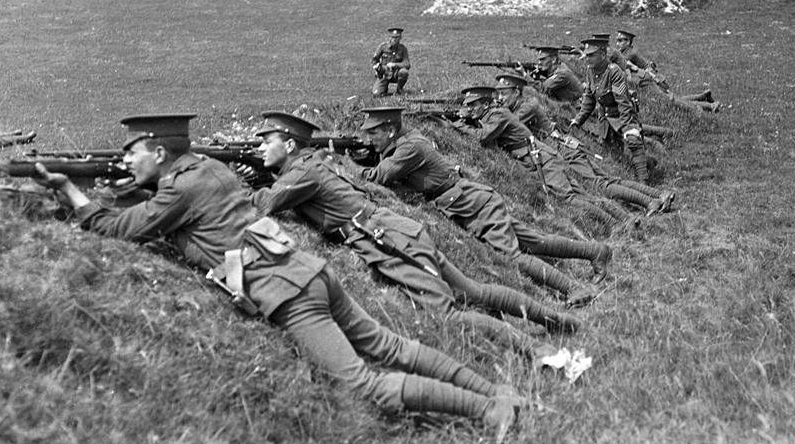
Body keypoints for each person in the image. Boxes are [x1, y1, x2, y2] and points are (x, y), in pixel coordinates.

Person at [31, 113, 520, 444]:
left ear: (159, 152)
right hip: (308, 273)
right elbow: (175, 208)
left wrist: (73, 193)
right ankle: (495, 393)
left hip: (286, 294)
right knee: (391, 348)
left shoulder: (180, 187)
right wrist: (132, 190)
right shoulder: (203, 170)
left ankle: (488, 412)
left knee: (363, 385)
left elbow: (122, 229)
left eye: (133, 151)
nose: (126, 159)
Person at [248, 111, 586, 368]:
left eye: (267, 142)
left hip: (387, 239)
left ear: (290, 144)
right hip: (396, 229)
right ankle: (564, 323)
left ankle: (545, 354)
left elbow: (267, 203)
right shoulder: (312, 162)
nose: (261, 147)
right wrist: (269, 174)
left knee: (450, 313)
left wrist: (252, 185)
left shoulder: (303, 171)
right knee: (475, 292)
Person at [355, 106, 610, 299]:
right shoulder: (407, 140)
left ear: (390, 130)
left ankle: (575, 289)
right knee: (533, 241)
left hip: (473, 203)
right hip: (471, 201)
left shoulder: (409, 147)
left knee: (510, 255)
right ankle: (595, 252)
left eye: (373, 133)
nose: (369, 140)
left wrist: (350, 165)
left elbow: (380, 177)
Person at [449, 87, 638, 232]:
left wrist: (458, 124)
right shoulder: (491, 114)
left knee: (570, 197)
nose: (469, 109)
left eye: (473, 105)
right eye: (467, 105)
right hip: (540, 157)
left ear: (486, 103)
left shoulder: (499, 114)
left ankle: (619, 222)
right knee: (580, 195)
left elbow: (482, 136)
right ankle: (624, 219)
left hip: (544, 160)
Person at [494, 73, 674, 217]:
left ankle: (651, 201)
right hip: (564, 146)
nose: (500, 98)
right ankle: (657, 196)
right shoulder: (523, 105)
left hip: (561, 148)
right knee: (607, 180)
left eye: (504, 93)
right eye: (498, 94)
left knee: (600, 184)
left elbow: (509, 124)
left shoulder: (527, 107)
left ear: (517, 93)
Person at [570, 35, 654, 185]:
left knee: (633, 141)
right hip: (606, 118)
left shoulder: (614, 72)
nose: (587, 59)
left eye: (591, 55)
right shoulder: (591, 70)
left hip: (622, 113)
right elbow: (589, 98)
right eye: (586, 55)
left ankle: (644, 181)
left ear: (603, 55)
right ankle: (647, 163)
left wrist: (628, 128)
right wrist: (578, 120)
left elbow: (623, 102)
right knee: (612, 154)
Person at [613, 30, 720, 113]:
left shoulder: (629, 53)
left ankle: (707, 106)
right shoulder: (626, 51)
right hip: (650, 78)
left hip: (652, 78)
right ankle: (703, 98)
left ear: (628, 42)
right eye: (617, 41)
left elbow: (625, 64)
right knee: (672, 98)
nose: (617, 44)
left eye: (620, 41)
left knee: (670, 100)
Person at [371, 28, 411, 97]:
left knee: (404, 72)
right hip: (384, 74)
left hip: (396, 74)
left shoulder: (403, 49)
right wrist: (377, 68)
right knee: (376, 94)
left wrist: (395, 64)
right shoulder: (383, 47)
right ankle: (384, 88)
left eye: (397, 37)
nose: (395, 39)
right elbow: (374, 60)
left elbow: (407, 64)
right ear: (389, 38)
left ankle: (399, 89)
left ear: (400, 38)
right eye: (393, 37)